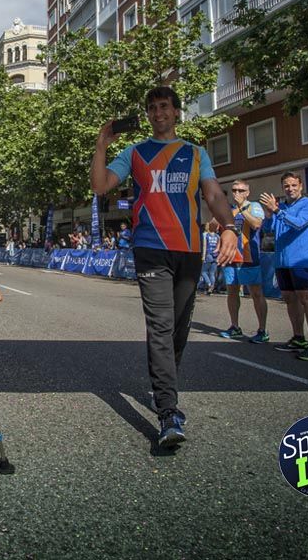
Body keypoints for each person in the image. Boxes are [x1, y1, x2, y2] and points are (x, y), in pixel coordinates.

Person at [90, 86, 238, 447]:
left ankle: (163, 387)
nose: (158, 113)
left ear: (175, 112)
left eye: (164, 107)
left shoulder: (195, 153)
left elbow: (215, 195)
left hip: (189, 251)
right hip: (150, 250)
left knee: (176, 332)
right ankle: (169, 413)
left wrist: (231, 228)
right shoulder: (135, 153)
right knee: (159, 327)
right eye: (153, 108)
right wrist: (101, 146)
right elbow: (100, 185)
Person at [259, 172, 308, 361]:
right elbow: (268, 229)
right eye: (287, 186)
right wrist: (270, 214)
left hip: (301, 260)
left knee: (306, 298)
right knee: (289, 298)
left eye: (294, 185)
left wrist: (278, 211)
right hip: (282, 260)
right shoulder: (283, 206)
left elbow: (298, 224)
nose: (290, 189)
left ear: (301, 186)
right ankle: (298, 338)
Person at [219, 179, 270, 343]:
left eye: (241, 191)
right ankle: (235, 327)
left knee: (256, 293)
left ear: (247, 192)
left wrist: (242, 208)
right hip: (231, 256)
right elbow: (215, 227)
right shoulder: (229, 209)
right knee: (232, 291)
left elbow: (256, 225)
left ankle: (262, 330)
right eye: (234, 190)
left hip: (249, 256)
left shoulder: (254, 206)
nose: (237, 193)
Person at [200, 221, 220, 296]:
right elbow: (218, 247)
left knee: (203, 272)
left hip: (208, 255)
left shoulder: (205, 235)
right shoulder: (218, 236)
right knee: (212, 273)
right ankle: (211, 287)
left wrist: (203, 257)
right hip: (215, 255)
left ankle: (209, 284)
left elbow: (204, 246)